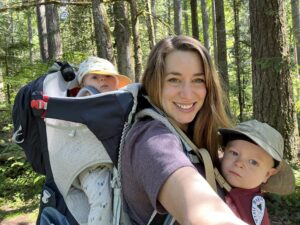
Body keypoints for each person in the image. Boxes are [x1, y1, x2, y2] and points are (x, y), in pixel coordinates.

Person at [121, 35, 248, 225]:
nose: (187, 94)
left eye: (198, 80)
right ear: (154, 82)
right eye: (174, 80)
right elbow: (204, 213)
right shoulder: (152, 140)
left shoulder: (190, 138)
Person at [68, 56, 132, 225]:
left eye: (108, 76)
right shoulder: (86, 97)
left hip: (111, 160)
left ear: (117, 81)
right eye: (94, 77)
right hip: (90, 165)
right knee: (101, 201)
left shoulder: (120, 99)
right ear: (83, 84)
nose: (102, 79)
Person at [218, 120, 295, 225]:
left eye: (253, 162)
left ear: (267, 174)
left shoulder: (252, 207)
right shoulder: (205, 172)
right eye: (234, 153)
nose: (239, 163)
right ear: (223, 152)